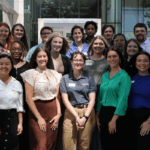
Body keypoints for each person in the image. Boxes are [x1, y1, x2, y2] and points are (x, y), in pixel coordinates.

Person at [20, 47, 62, 150]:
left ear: (48, 58)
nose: (42, 58)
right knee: (40, 146)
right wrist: (39, 117)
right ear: (35, 58)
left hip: (53, 111)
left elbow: (57, 97)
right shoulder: (30, 74)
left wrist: (58, 115)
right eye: (39, 56)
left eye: (44, 56)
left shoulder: (56, 74)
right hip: (37, 112)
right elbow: (28, 99)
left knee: (51, 144)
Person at [96, 46, 131, 150]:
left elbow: (123, 99)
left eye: (114, 56)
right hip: (103, 113)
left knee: (115, 144)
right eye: (109, 57)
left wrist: (114, 119)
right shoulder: (105, 75)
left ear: (120, 58)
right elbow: (100, 96)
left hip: (116, 115)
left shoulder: (124, 76)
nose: (112, 59)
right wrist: (97, 115)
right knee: (105, 144)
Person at [60, 51, 97, 150]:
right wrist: (76, 116)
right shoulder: (65, 78)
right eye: (75, 60)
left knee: (84, 145)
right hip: (70, 112)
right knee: (68, 145)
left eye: (80, 60)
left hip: (86, 112)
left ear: (84, 63)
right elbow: (65, 100)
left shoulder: (89, 78)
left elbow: (92, 100)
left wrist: (84, 117)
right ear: (71, 62)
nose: (78, 62)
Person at [83, 35, 109, 150]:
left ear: (105, 46)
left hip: (101, 95)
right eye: (96, 43)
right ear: (92, 45)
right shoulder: (85, 60)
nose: (98, 46)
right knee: (87, 125)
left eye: (101, 44)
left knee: (99, 125)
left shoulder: (108, 60)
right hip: (85, 95)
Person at [125, 51, 150, 150]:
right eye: (139, 61)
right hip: (129, 117)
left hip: (146, 118)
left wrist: (149, 122)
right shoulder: (130, 77)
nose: (142, 63)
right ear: (135, 63)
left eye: (145, 61)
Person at [0, 54, 24, 150]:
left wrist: (20, 124)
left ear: (11, 66)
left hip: (13, 118)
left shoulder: (17, 83)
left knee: (12, 146)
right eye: (1, 64)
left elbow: (20, 106)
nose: (4, 66)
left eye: (7, 64)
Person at [10, 41, 29, 150]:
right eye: (14, 49)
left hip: (25, 103)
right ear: (10, 50)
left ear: (22, 51)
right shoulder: (5, 64)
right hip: (9, 104)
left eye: (19, 49)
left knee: (24, 133)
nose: (16, 51)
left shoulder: (28, 65)